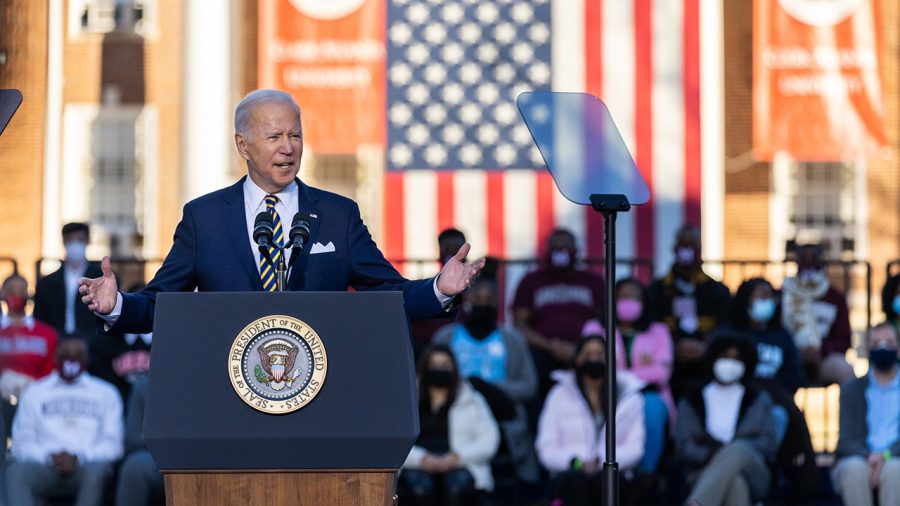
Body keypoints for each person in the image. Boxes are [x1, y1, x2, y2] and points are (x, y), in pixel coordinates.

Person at [78, 90, 484, 334]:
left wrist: (437, 289)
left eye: (295, 135)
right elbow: (160, 304)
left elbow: (388, 295)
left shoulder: (338, 215)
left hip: (322, 392)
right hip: (229, 392)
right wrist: (116, 305)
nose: (288, 147)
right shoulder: (204, 219)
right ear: (243, 145)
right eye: (274, 136)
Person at [433, 277, 539, 483]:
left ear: (497, 303)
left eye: (488, 298)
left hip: (499, 413)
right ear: (467, 301)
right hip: (455, 412)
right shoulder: (446, 336)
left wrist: (489, 388)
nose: (483, 303)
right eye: (477, 298)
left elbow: (529, 385)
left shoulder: (512, 339)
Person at [6, 338, 124, 506]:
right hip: (45, 465)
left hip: (87, 466)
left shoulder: (106, 393)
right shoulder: (35, 392)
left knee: (98, 469)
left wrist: (80, 457)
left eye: (78, 355)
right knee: (16, 472)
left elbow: (114, 445)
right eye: (65, 354)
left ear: (87, 358)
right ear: (55, 356)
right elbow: (21, 443)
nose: (71, 359)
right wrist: (49, 456)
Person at [535, 335, 646, 506]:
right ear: (577, 359)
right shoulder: (559, 394)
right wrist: (577, 462)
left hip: (613, 472)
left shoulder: (630, 396)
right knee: (577, 481)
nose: (593, 359)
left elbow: (635, 448)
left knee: (607, 480)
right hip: (570, 473)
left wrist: (602, 461)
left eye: (599, 354)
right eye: (588, 354)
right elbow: (545, 447)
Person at [584, 276, 675, 477]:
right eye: (623, 297)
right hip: (606, 392)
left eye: (635, 298)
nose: (628, 302)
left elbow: (662, 373)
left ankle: (644, 476)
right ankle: (597, 470)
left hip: (647, 394)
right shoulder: (595, 328)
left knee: (651, 408)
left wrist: (622, 376)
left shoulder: (658, 331)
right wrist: (636, 375)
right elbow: (590, 364)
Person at [676, 331, 778, 506]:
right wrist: (710, 455)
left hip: (754, 470)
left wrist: (728, 453)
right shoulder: (693, 400)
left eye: (737, 359)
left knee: (738, 449)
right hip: (704, 471)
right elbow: (684, 446)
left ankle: (697, 503)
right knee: (735, 483)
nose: (730, 363)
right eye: (725, 357)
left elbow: (769, 443)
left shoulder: (759, 399)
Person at [512, 228, 605, 406]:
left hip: (584, 350)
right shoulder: (531, 280)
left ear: (576, 251)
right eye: (556, 247)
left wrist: (580, 348)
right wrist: (550, 346)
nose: (561, 251)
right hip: (542, 350)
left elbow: (603, 321)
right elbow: (520, 324)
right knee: (534, 370)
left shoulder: (593, 281)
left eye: (566, 247)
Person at [399, 344, 501, 505]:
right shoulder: (408, 400)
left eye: (444, 365)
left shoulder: (473, 399)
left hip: (460, 462)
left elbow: (490, 440)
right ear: (424, 368)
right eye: (434, 366)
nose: (439, 370)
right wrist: (421, 458)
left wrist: (456, 457)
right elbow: (397, 440)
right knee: (418, 489)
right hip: (417, 463)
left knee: (457, 488)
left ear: (454, 369)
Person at [648, 224, 731, 398]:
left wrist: (705, 347)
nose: (686, 251)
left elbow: (726, 326)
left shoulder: (717, 290)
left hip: (707, 366)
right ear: (674, 249)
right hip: (670, 365)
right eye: (682, 245)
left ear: (699, 250)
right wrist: (672, 346)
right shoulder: (658, 289)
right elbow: (650, 326)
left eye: (691, 245)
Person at [831, 323, 900, 506]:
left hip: (895, 458)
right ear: (868, 350)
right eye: (877, 343)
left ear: (898, 348)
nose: (883, 347)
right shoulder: (851, 389)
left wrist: (884, 457)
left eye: (889, 342)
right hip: (860, 458)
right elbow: (846, 440)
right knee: (854, 469)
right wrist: (868, 457)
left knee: (895, 469)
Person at [780, 243, 854, 385]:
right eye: (804, 259)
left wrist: (820, 351)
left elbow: (844, 338)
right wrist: (795, 350)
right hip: (789, 356)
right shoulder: (785, 293)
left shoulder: (834, 297)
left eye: (813, 259)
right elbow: (776, 330)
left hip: (824, 357)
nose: (809, 264)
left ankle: (849, 407)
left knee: (845, 371)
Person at [726, 278, 802, 394]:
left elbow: (793, 373)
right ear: (746, 300)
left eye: (770, 297)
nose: (768, 301)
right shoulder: (729, 334)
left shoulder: (782, 335)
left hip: (775, 399)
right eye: (762, 297)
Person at [33, 222, 103, 340]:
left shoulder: (101, 279)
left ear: (87, 241)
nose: (75, 245)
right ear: (63, 242)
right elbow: (40, 320)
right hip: (56, 345)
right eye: (70, 240)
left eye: (80, 239)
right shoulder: (46, 284)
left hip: (92, 347)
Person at [88, 281, 152, 401]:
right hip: (117, 406)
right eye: (134, 305)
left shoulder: (164, 342)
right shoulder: (106, 340)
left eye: (145, 306)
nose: (139, 311)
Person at [411, 228, 469, 359]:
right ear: (440, 252)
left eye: (456, 249)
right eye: (448, 249)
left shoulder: (476, 290)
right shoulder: (429, 288)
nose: (452, 255)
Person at [115, 377, 164, 506]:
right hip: (157, 455)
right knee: (134, 466)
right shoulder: (143, 387)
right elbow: (132, 439)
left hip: (199, 453)